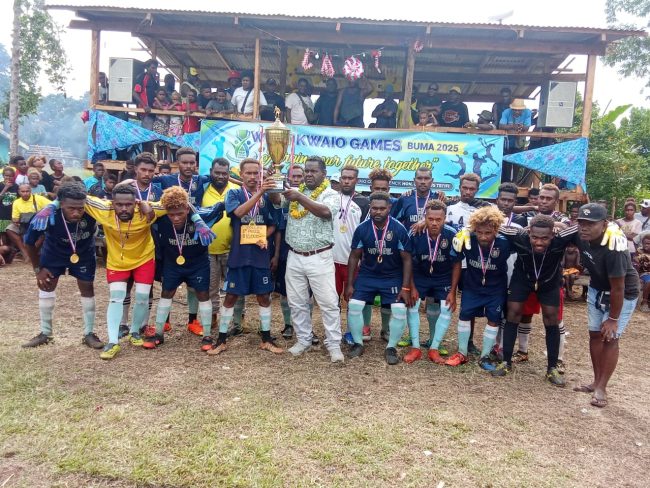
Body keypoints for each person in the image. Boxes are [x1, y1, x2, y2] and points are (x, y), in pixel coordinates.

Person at [31, 181, 215, 360]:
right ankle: (112, 341)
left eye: (129, 204)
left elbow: (181, 202)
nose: (124, 209)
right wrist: (52, 205)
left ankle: (134, 332)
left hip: (144, 259)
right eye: (119, 205)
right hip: (117, 262)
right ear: (112, 203)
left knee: (142, 297)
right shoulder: (103, 208)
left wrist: (197, 220)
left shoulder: (148, 208)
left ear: (136, 202)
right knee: (116, 298)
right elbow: (73, 197)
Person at [493, 216, 585, 385]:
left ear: (553, 235)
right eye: (534, 237)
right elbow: (493, 225)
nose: (539, 242)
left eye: (545, 238)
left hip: (549, 282)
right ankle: (506, 362)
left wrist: (559, 224)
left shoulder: (560, 239)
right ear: (529, 232)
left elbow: (579, 227)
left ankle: (552, 369)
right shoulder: (519, 235)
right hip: (522, 279)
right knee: (513, 314)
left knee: (551, 319)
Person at [269, 156, 344, 363]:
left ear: (324, 174)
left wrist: (299, 197)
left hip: (319, 256)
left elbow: (325, 212)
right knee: (296, 302)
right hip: (294, 255)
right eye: (307, 171)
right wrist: (274, 182)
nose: (309, 174)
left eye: (313, 171)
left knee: (328, 303)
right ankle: (304, 339)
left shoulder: (331, 194)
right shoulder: (296, 191)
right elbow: (277, 200)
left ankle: (334, 344)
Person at [208, 158, 282, 355]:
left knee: (264, 297)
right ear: (241, 175)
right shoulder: (234, 193)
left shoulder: (266, 197)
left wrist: (261, 236)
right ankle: (221, 340)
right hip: (239, 256)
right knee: (231, 296)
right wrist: (260, 192)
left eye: (256, 173)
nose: (253, 177)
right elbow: (239, 213)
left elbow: (273, 224)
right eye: (248, 173)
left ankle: (266, 339)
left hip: (260, 256)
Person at [21, 182, 103, 349]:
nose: (76, 212)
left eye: (80, 208)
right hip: (54, 254)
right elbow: (29, 242)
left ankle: (89, 333)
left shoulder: (93, 211)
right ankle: (45, 333)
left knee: (87, 288)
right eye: (71, 208)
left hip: (83, 255)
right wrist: (37, 269)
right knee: (46, 286)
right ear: (61, 204)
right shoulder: (47, 214)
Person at [573, 203, 639, 408]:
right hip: (596, 288)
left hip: (622, 293)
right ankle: (596, 381)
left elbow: (618, 287)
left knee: (610, 337)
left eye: (591, 223)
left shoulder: (614, 248)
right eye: (581, 223)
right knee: (595, 334)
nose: (584, 227)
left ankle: (602, 387)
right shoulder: (581, 236)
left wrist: (613, 319)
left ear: (604, 224)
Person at [145, 186, 222, 351]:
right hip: (173, 263)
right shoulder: (161, 218)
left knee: (203, 294)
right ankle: (158, 334)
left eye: (180, 213)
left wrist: (198, 218)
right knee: (166, 293)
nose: (176, 218)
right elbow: (145, 207)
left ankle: (207, 335)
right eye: (171, 214)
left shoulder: (201, 216)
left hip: (198, 264)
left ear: (187, 209)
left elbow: (220, 207)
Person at [345, 192, 413, 364]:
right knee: (354, 305)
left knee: (399, 309)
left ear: (389, 208)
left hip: (392, 276)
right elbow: (354, 256)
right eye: (374, 208)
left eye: (382, 208)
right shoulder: (362, 228)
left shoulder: (398, 228)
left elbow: (407, 259)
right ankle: (358, 343)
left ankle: (391, 347)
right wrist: (350, 284)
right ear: (370, 208)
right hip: (368, 274)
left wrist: (405, 287)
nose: (378, 212)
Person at [445, 206, 513, 368]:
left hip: (496, 288)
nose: (483, 237)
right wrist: (453, 291)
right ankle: (462, 353)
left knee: (494, 319)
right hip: (472, 286)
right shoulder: (467, 238)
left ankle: (485, 356)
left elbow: (524, 237)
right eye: (479, 232)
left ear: (496, 230)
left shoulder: (505, 242)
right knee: (464, 315)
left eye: (488, 233)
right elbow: (456, 262)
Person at [404, 200, 461, 364]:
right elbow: (408, 261)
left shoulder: (452, 234)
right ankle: (415, 348)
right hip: (420, 275)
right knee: (412, 305)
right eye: (430, 219)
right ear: (425, 218)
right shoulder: (415, 233)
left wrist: (453, 291)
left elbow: (457, 264)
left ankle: (434, 348)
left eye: (438, 219)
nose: (434, 223)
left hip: (442, 277)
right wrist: (411, 287)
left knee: (446, 308)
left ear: (445, 219)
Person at [201, 158, 245, 335]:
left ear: (229, 174)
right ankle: (212, 317)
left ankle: (238, 320)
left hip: (232, 249)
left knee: (235, 286)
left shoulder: (235, 190)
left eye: (224, 173)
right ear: (211, 172)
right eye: (217, 172)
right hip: (208, 249)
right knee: (210, 287)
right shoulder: (203, 189)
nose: (220, 176)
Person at [332, 166, 370, 334]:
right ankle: (334, 332)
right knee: (332, 300)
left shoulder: (364, 202)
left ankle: (350, 332)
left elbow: (366, 233)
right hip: (331, 259)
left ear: (357, 180)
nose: (346, 181)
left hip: (353, 261)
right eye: (344, 178)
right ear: (340, 179)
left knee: (352, 299)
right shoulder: (331, 199)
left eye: (350, 178)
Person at [271, 164, 306, 339]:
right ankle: (288, 325)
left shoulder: (310, 198)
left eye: (300, 176)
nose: (297, 179)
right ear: (288, 178)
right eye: (293, 176)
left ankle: (306, 327)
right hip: (285, 253)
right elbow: (278, 229)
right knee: (285, 292)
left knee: (306, 295)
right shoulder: (284, 199)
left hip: (305, 253)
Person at [6, 184, 51, 259]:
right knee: (10, 228)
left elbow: (52, 206)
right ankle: (24, 252)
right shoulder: (17, 202)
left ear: (30, 191)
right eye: (23, 191)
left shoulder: (39, 198)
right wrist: (17, 221)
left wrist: (43, 215)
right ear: (19, 192)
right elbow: (15, 218)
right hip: (23, 225)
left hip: (38, 225)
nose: (25, 193)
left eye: (27, 191)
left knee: (45, 232)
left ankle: (33, 252)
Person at [132, 59, 160, 130]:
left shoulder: (153, 79)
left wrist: (158, 80)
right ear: (147, 68)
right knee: (147, 133)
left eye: (156, 68)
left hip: (153, 111)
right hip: (145, 111)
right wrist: (144, 105)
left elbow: (157, 92)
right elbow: (134, 93)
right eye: (153, 68)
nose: (155, 70)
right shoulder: (142, 77)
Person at [635, 231, 650, 312]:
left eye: (649, 243)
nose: (647, 245)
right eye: (645, 243)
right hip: (643, 273)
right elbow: (637, 264)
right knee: (649, 280)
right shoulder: (639, 251)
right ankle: (644, 302)